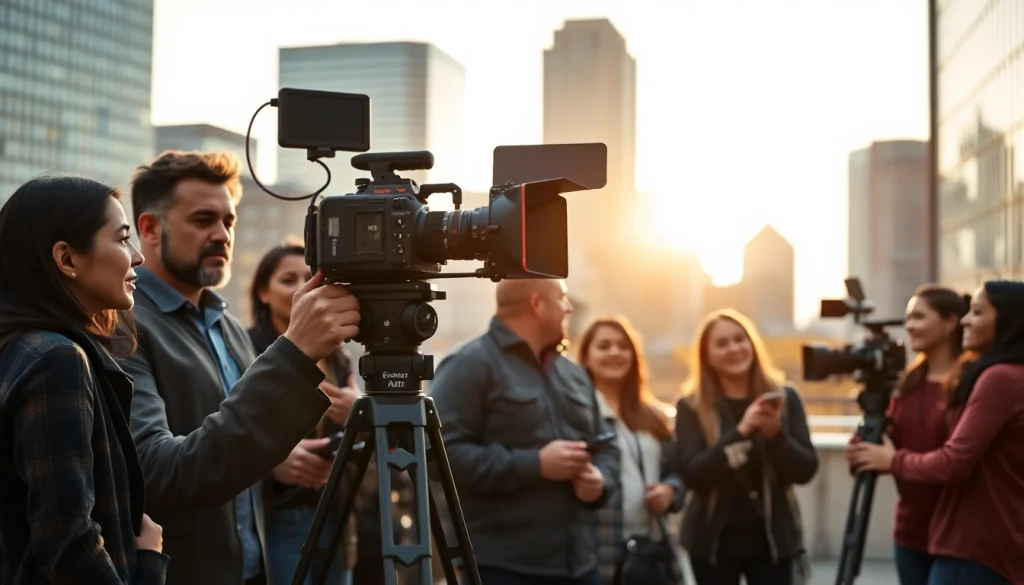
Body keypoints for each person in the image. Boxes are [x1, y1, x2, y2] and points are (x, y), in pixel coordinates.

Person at [122, 150, 361, 585]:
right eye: (202, 220)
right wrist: (295, 351)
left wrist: (277, 467)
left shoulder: (229, 329)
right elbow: (157, 475)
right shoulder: (126, 326)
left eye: (228, 222)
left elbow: (229, 447)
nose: (221, 234)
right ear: (150, 229)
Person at [0, 175, 168, 584]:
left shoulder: (21, 350)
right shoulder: (57, 360)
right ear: (68, 259)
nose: (137, 257)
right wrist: (147, 563)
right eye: (123, 238)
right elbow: (68, 547)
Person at [430, 279, 617, 585]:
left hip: (581, 567)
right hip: (503, 568)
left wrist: (600, 482)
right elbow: (440, 458)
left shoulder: (573, 373)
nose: (568, 308)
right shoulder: (468, 365)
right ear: (537, 305)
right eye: (562, 299)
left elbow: (608, 447)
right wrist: (536, 464)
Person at [850, 281, 1024, 585]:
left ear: (1008, 319)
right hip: (930, 533)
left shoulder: (998, 378)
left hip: (974, 544)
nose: (965, 320)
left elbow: (953, 462)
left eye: (977, 312)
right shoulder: (919, 383)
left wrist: (893, 461)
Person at [674, 309, 817, 585]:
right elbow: (693, 474)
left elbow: (805, 470)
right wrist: (742, 431)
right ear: (707, 357)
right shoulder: (691, 406)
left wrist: (775, 434)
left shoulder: (786, 398)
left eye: (740, 339)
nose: (734, 349)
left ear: (753, 344)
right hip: (712, 544)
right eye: (722, 343)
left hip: (773, 542)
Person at [248, 241, 359, 585]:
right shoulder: (247, 349)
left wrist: (358, 414)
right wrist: (274, 461)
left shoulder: (340, 358)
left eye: (310, 278)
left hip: (336, 513)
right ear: (262, 293)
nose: (301, 289)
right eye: (287, 279)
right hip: (279, 515)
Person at [842, 285, 967, 585]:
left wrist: (893, 460)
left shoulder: (972, 383)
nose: (909, 326)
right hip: (909, 534)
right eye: (908, 317)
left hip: (958, 536)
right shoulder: (907, 384)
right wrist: (862, 452)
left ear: (951, 321)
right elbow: (892, 446)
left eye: (919, 317)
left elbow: (956, 461)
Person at [576, 316, 685, 583]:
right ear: (587, 357)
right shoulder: (576, 414)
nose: (614, 352)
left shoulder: (656, 416)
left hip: (652, 552)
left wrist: (670, 491)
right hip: (599, 552)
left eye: (623, 346)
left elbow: (679, 470)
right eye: (604, 346)